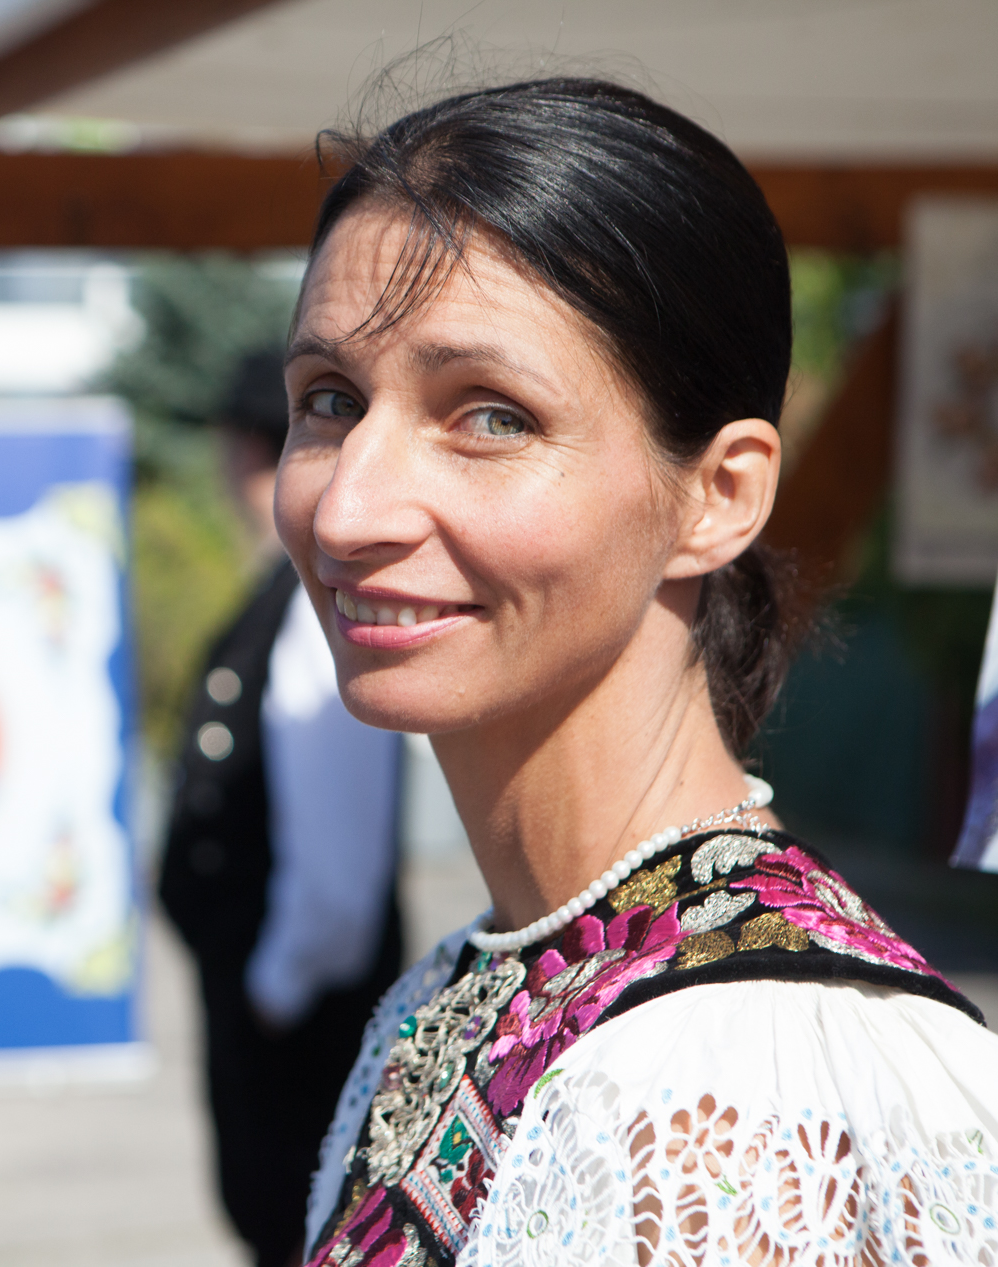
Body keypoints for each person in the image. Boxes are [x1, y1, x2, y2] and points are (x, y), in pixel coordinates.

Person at [277, 79, 998, 1266]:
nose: (347, 509)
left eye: (490, 416)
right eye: (328, 400)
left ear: (717, 496)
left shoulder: (737, 1089)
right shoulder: (463, 984)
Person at [159, 352, 405, 1267]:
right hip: (275, 1011)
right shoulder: (282, 603)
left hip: (301, 1028)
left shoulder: (313, 615)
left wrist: (272, 990)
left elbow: (338, 870)